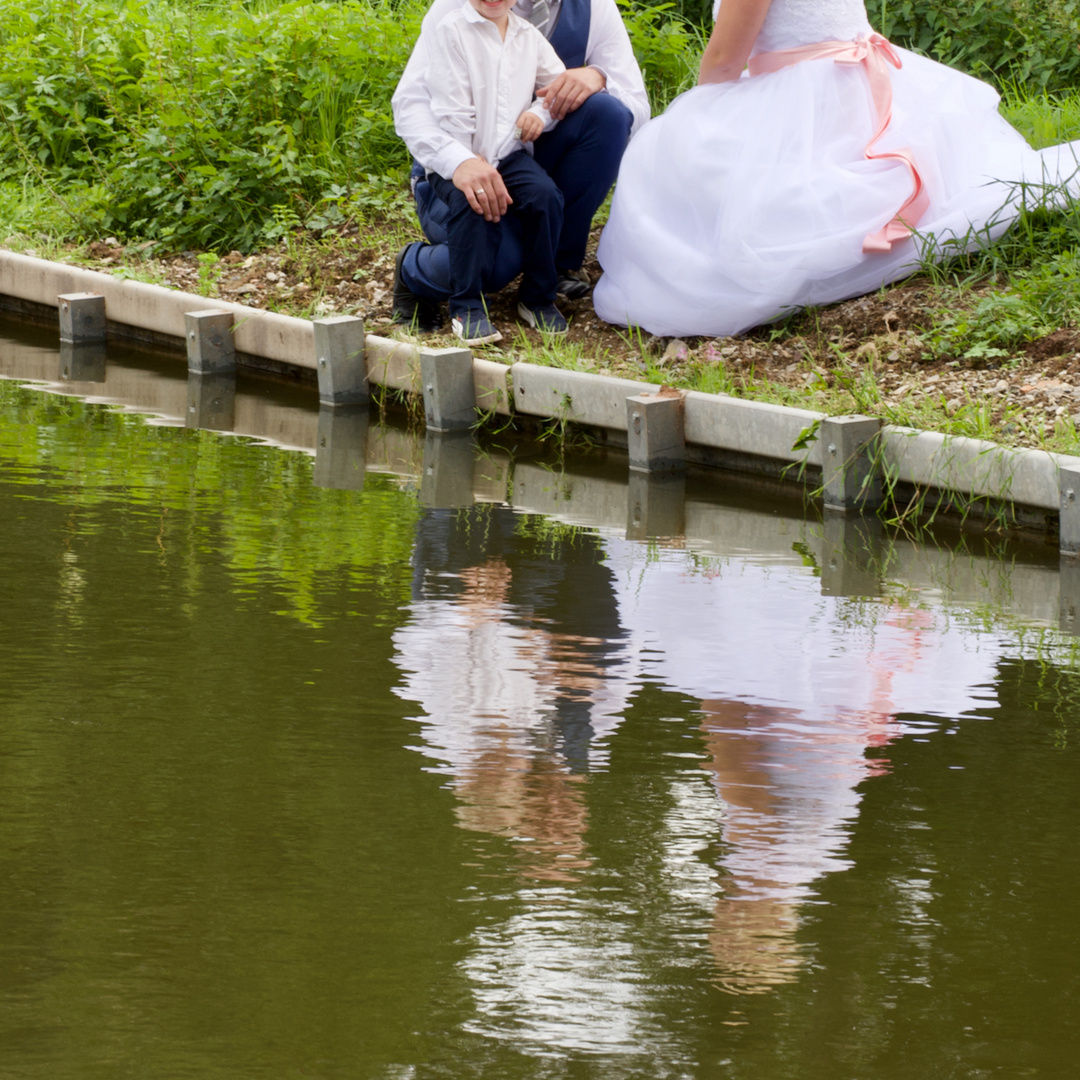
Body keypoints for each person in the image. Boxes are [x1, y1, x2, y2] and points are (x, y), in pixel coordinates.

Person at [593, 0, 1080, 339]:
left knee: (667, 148)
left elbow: (722, 63)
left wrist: (693, 119)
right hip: (853, 85)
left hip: (811, 99)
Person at [391, 0, 650, 333]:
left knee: (607, 114)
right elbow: (410, 104)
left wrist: (598, 76)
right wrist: (459, 162)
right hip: (453, 167)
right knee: (496, 266)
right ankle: (412, 268)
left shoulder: (592, 8)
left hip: (518, 158)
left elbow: (635, 109)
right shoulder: (455, 12)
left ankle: (554, 268)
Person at [415, 0, 568, 345]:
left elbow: (556, 87)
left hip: (507, 152)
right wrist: (466, 161)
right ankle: (466, 304)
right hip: (457, 155)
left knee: (545, 196)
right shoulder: (452, 29)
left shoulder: (528, 35)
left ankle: (537, 296)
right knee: (474, 203)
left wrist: (539, 114)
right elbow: (449, 105)